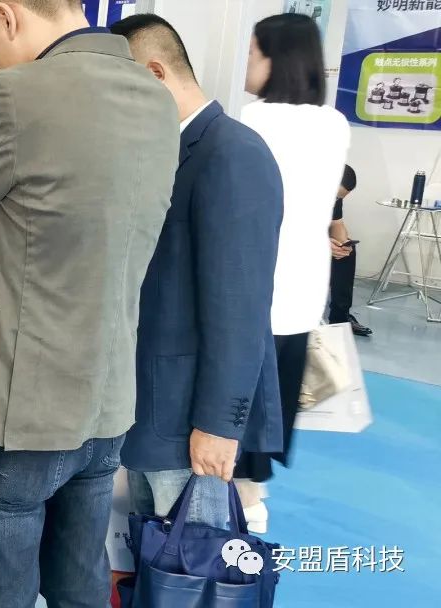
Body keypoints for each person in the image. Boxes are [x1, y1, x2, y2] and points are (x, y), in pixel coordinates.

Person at [0, 1, 178, 606]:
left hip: (17, 406)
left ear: (6, 16)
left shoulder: (14, 95)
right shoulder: (156, 99)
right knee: (79, 587)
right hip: (106, 398)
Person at [109, 15, 284, 530]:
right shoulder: (171, 151)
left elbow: (241, 308)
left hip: (191, 422)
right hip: (153, 409)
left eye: (120, 90)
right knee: (153, 551)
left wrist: (218, 425)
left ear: (154, 74)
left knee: (192, 559)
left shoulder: (231, 153)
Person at [233, 12, 351, 534]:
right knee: (276, 394)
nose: (245, 64)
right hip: (306, 284)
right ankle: (254, 493)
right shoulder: (334, 123)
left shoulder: (253, 119)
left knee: (237, 395)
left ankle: (241, 498)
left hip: (256, 280)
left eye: (252, 53)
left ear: (275, 59)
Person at [329, 165, 372, 336]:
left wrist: (343, 244)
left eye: (339, 198)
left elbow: (337, 223)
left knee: (346, 254)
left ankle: (340, 318)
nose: (335, 200)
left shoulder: (334, 197)